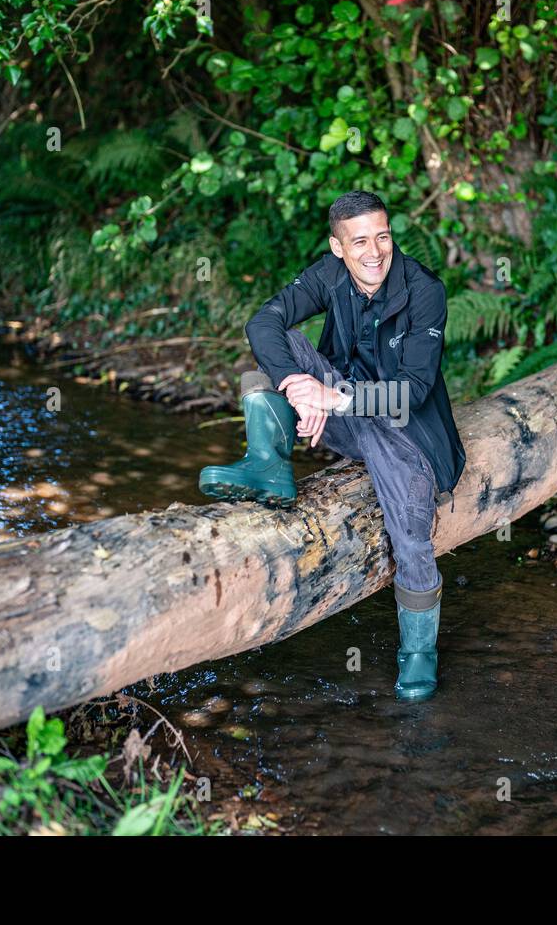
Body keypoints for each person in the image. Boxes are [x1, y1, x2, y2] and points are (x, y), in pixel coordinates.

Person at [199, 190, 466, 701]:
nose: (375, 251)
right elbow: (263, 322)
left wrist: (331, 396)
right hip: (345, 415)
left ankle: (418, 654)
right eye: (359, 240)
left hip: (406, 433)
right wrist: (302, 390)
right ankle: (267, 463)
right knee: (272, 357)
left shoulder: (424, 290)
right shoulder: (329, 273)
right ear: (337, 246)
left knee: (410, 538)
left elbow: (410, 393)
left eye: (383, 236)